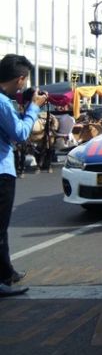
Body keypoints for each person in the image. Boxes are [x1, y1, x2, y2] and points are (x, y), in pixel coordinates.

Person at [0, 54, 47, 296]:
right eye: (25, 79)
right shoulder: (2, 103)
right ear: (20, 79)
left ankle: (6, 272)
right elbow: (20, 133)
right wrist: (34, 108)